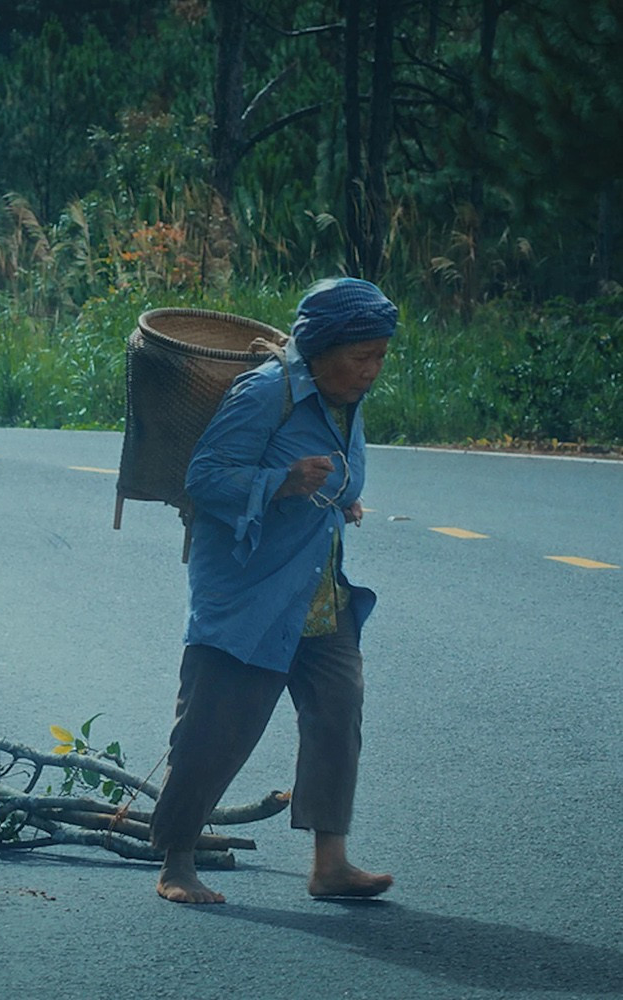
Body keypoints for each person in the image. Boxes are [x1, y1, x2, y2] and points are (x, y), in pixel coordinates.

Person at [149, 276, 399, 904]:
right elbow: (206, 478)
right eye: (361, 356)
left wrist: (340, 500)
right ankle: (176, 863)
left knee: (337, 716)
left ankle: (330, 864)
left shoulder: (344, 397)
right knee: (217, 725)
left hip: (319, 588)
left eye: (380, 357)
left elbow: (330, 470)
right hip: (252, 591)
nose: (372, 370)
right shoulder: (266, 392)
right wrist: (283, 482)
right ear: (322, 348)